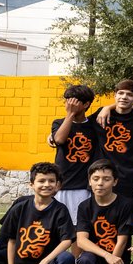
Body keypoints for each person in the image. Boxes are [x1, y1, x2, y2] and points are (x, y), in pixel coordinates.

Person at [70, 160, 133, 264]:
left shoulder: (125, 205)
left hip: (117, 260)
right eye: (96, 178)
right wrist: (106, 255)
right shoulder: (84, 206)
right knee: (84, 261)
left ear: (115, 181)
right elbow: (81, 241)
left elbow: (122, 242)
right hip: (96, 257)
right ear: (89, 181)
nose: (100, 183)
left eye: (106, 179)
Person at [50, 84, 107, 228]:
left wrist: (108, 107)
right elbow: (59, 140)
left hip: (83, 186)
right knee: (59, 227)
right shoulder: (58, 123)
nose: (69, 105)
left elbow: (117, 106)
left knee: (80, 227)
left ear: (86, 104)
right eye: (67, 101)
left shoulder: (94, 124)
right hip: (62, 185)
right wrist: (70, 115)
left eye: (73, 101)